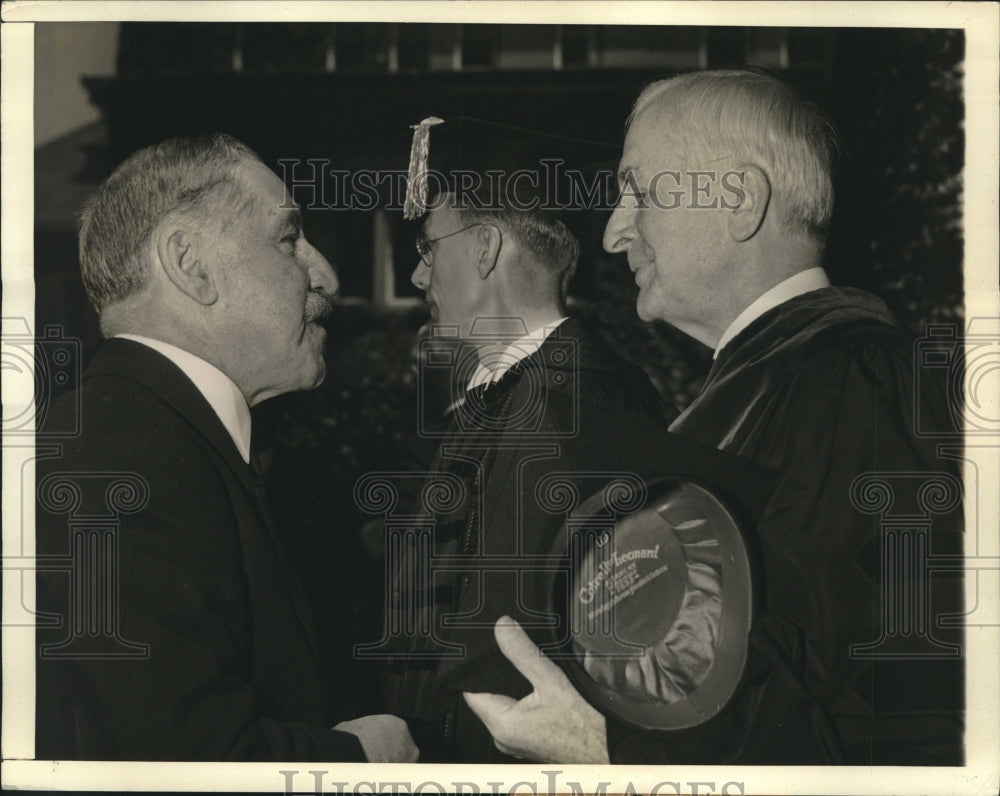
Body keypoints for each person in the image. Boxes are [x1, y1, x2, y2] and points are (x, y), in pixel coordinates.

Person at [463, 69, 964, 765]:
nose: (612, 233)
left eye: (638, 192)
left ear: (739, 201)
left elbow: (883, 721)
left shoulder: (860, 381)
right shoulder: (787, 383)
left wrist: (603, 749)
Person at [380, 117, 775, 763]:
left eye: (429, 249)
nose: (421, 276)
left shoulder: (590, 401)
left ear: (483, 248)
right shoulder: (500, 398)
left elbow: (603, 646)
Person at [34, 134, 418, 763]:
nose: (325, 274)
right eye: (288, 239)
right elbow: (173, 761)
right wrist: (362, 757)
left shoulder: (152, 432)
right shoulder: (124, 453)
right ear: (191, 264)